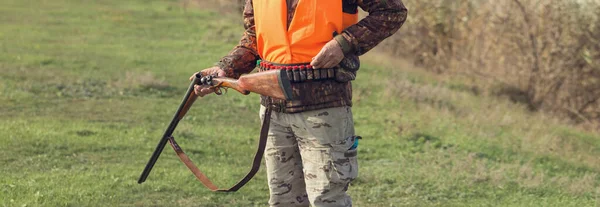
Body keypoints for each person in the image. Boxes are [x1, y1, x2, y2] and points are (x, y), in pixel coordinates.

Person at [190, 0, 407, 206]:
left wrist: (344, 43)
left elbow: (392, 12)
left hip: (325, 110)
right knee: (283, 201)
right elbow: (255, 37)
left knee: (327, 201)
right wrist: (225, 69)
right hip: (273, 111)